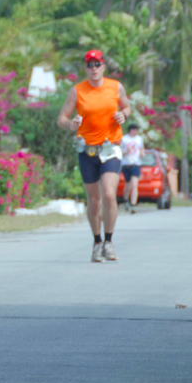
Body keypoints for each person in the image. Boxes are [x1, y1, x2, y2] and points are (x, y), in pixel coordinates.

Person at [56, 49, 131, 263]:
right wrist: (69, 124)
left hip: (111, 148)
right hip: (87, 150)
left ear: (104, 66)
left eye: (97, 64)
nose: (94, 68)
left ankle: (109, 241)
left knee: (109, 194)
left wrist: (123, 114)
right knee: (95, 200)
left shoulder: (115, 87)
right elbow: (61, 117)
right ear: (85, 68)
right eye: (90, 65)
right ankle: (97, 242)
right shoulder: (78, 91)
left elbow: (127, 106)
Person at [121, 124, 146, 211]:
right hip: (126, 164)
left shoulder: (139, 139)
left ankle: (133, 204)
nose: (137, 132)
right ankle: (126, 199)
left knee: (134, 184)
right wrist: (127, 151)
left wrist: (143, 154)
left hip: (136, 163)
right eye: (135, 130)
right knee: (128, 185)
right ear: (131, 130)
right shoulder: (124, 139)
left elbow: (141, 149)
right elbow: (120, 152)